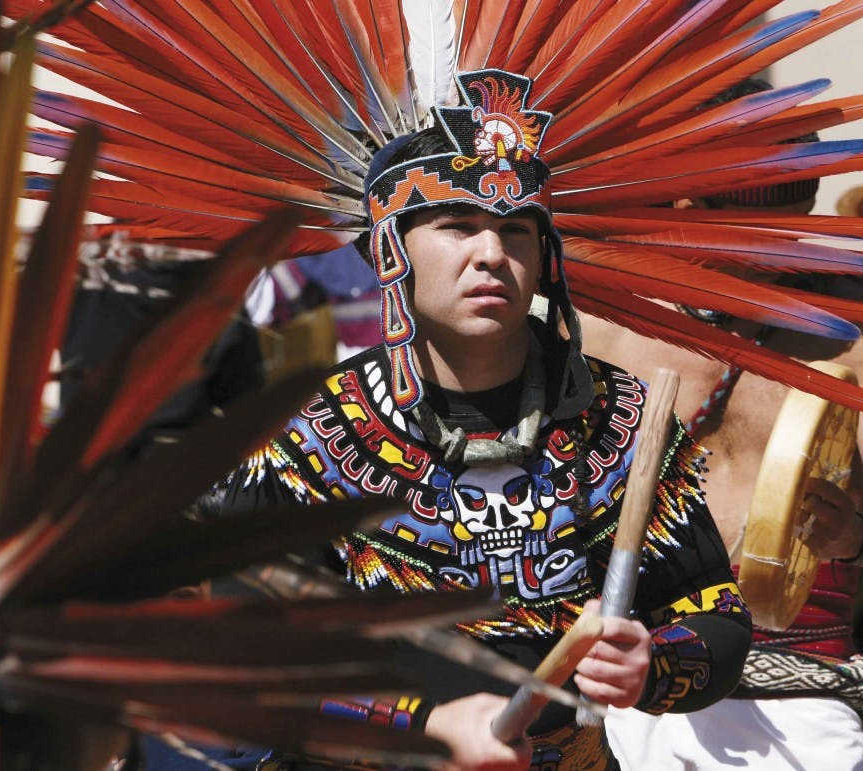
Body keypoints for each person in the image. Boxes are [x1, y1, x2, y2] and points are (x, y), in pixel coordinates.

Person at [200, 69, 752, 771]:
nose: (491, 253)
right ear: (391, 249)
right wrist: (420, 724)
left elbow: (715, 614)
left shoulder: (622, 417)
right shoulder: (303, 435)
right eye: (457, 226)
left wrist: (654, 660)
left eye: (515, 231)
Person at [594, 83, 863, 770]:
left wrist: (855, 542)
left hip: (801, 707)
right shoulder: (603, 331)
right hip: (630, 692)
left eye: (781, 202)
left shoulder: (850, 342)